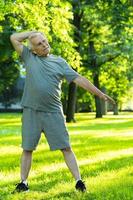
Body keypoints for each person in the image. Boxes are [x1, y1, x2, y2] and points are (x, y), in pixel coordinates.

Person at [10, 31, 115, 193]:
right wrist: (32, 33)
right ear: (33, 50)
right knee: (27, 148)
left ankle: (79, 181)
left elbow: (79, 79)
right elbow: (14, 38)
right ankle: (23, 183)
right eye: (39, 44)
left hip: (53, 112)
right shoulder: (29, 57)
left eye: (44, 41)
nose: (44, 45)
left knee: (66, 147)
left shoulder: (59, 62)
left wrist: (99, 94)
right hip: (31, 111)